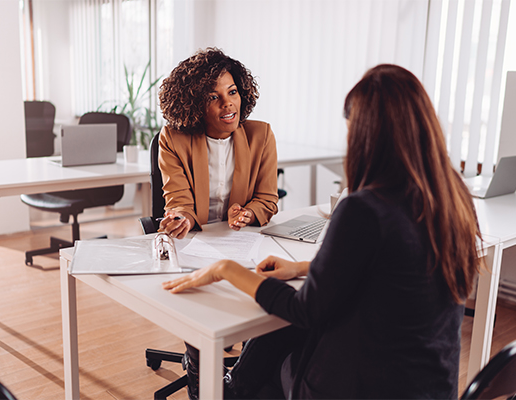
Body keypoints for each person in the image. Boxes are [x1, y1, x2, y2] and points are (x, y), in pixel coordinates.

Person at [163, 64, 483, 399]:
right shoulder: (452, 197)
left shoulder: (364, 209)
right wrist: (304, 268)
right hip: (430, 387)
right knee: (281, 342)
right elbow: (392, 269)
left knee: (282, 338)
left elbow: (305, 310)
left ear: (365, 134)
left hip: (361, 389)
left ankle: (220, 390)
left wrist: (225, 269)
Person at [157, 47, 279, 239]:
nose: (227, 103)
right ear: (194, 105)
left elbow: (267, 199)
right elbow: (180, 201)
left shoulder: (261, 136)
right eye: (213, 97)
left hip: (241, 238)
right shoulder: (173, 139)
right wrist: (183, 219)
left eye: (232, 92)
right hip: (194, 238)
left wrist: (247, 215)